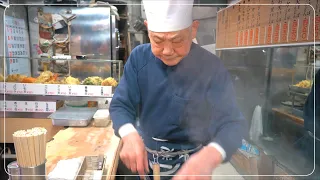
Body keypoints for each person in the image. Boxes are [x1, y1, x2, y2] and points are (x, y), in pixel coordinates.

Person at [110, 0, 248, 179]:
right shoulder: (139, 59)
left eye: (177, 40)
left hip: (193, 168)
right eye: (158, 40)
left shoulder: (211, 66)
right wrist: (128, 134)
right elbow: (120, 105)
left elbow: (232, 123)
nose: (167, 51)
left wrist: (211, 155)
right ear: (148, 29)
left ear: (193, 30)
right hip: (147, 163)